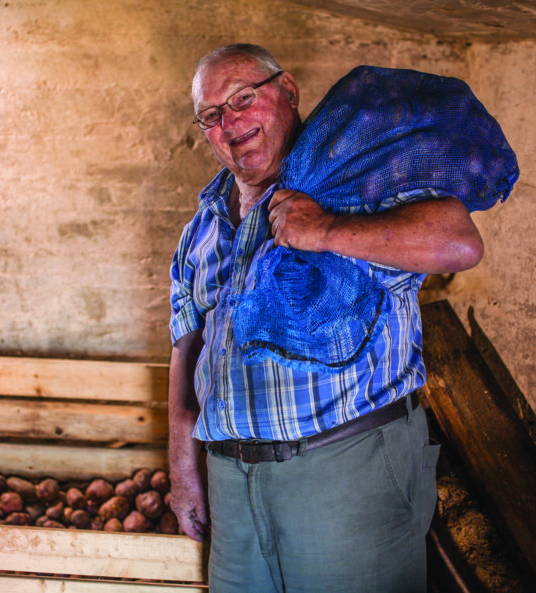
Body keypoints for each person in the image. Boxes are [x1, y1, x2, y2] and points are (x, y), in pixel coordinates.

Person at [168, 43, 485, 593]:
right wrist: (183, 466)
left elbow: (459, 242)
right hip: (231, 478)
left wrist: (325, 230)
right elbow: (186, 339)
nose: (230, 122)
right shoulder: (205, 222)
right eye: (212, 115)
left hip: (344, 468)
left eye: (244, 99)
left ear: (288, 91)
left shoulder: (355, 180)